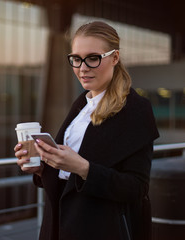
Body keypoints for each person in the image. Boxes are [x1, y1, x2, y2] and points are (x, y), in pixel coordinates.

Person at [14, 21, 159, 240]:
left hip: (100, 229)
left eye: (93, 58)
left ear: (115, 58)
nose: (82, 68)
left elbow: (136, 188)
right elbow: (66, 175)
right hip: (60, 226)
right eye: (76, 59)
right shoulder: (81, 103)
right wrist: (43, 167)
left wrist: (84, 168)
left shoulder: (136, 110)